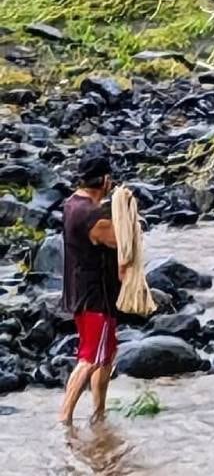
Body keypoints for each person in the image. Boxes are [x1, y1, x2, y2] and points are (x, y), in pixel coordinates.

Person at [57, 154, 126, 425]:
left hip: (79, 292)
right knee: (89, 358)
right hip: (96, 297)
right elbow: (123, 243)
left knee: (105, 355)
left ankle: (99, 413)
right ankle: (65, 418)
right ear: (105, 180)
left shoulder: (72, 205)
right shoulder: (94, 218)